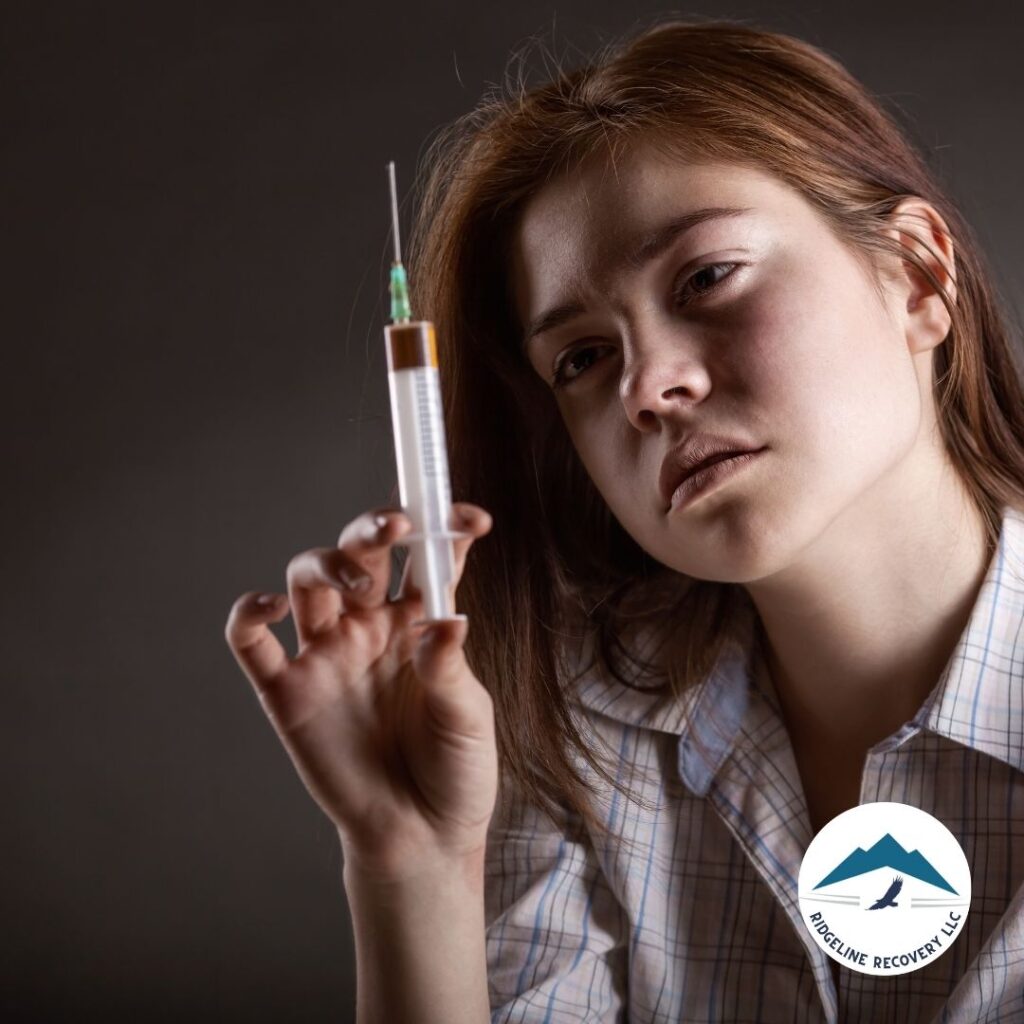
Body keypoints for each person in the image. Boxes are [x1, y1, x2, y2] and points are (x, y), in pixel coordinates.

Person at [224, 17, 1024, 1024]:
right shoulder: (579, 729)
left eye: (704, 277)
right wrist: (411, 864)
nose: (647, 386)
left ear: (914, 274)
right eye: (582, 358)